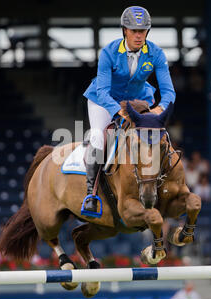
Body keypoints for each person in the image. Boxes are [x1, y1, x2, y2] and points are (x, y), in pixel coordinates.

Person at [82, 6, 176, 213]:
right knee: (98, 136)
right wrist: (118, 112)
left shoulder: (156, 54)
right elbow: (103, 91)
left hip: (138, 101)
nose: (139, 36)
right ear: (125, 30)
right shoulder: (109, 52)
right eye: (134, 31)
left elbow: (169, 92)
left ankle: (161, 186)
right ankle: (91, 193)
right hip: (104, 101)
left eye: (143, 31)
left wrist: (159, 109)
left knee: (156, 136)